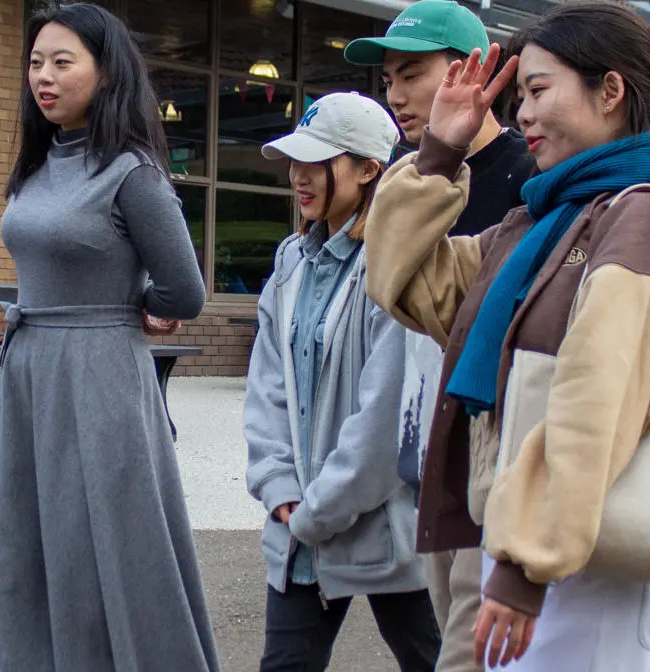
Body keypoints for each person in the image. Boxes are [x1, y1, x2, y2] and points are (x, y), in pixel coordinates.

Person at [363, 3, 650, 671]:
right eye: (519, 96)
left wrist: (524, 572)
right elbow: (402, 281)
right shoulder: (548, 219)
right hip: (536, 548)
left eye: (539, 91)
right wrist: (437, 154)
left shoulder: (640, 218)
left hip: (579, 566)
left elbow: (593, 404)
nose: (521, 114)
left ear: (610, 92)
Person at [0, 4, 218, 671]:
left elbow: (186, 291)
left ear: (106, 70)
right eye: (36, 62)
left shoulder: (133, 174)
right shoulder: (36, 166)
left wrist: (137, 308)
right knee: (16, 540)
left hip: (101, 381)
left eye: (63, 62)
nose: (44, 76)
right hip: (29, 376)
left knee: (101, 547)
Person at [343, 5, 537, 669]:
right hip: (430, 461)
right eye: (388, 78)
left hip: (496, 461)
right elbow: (388, 283)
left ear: (471, 70)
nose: (394, 94)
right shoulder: (416, 170)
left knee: (465, 653)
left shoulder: (528, 176)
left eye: (411, 73)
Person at [244, 92, 441, 672]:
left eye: (316, 162)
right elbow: (267, 383)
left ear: (368, 169)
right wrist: (277, 483)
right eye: (293, 161)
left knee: (434, 659)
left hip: (383, 524)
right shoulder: (291, 261)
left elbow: (386, 417)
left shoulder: (395, 265)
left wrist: (318, 510)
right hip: (299, 525)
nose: (297, 177)